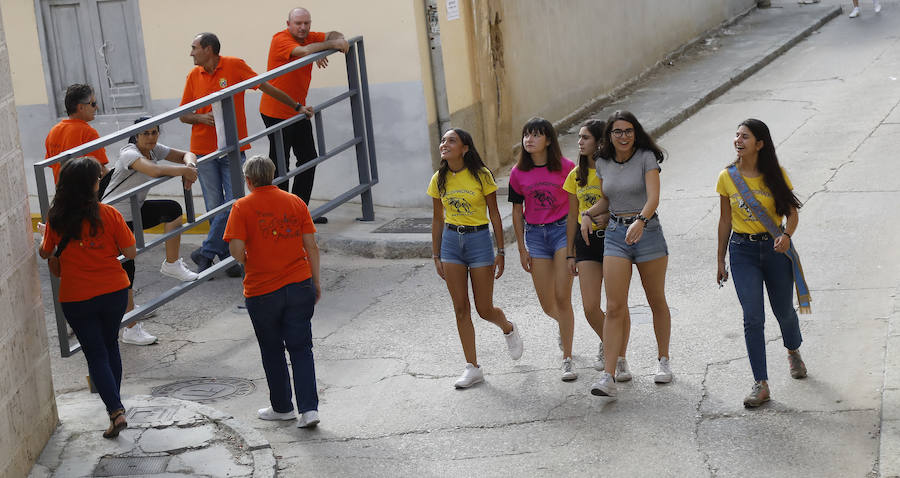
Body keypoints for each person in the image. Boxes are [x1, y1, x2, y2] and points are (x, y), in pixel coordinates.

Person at [180, 32, 311, 277]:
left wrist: (296, 106)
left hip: (231, 149)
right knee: (215, 208)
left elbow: (266, 86)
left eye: (194, 48)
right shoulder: (193, 75)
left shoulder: (234, 66)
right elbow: (183, 114)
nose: (191, 53)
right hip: (203, 152)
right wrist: (199, 117)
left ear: (208, 49)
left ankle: (205, 253)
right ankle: (227, 258)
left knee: (233, 205)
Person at [39, 157, 136, 438]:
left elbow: (46, 252)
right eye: (97, 178)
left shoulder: (56, 217)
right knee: (110, 347)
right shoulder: (109, 213)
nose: (99, 181)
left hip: (77, 296)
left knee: (95, 353)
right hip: (113, 290)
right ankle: (114, 409)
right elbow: (129, 252)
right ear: (90, 185)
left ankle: (116, 411)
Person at [223, 155, 322, 428]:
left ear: (248, 180)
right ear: (273, 174)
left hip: (262, 290)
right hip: (299, 283)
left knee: (272, 349)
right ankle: (309, 409)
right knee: (301, 348)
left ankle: (282, 407)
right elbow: (311, 246)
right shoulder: (295, 202)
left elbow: (235, 250)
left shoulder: (241, 207)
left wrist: (249, 258)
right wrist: (316, 281)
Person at [716, 118, 808, 408]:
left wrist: (786, 236)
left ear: (759, 143)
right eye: (737, 135)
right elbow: (725, 221)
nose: (738, 140)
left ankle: (793, 350)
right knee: (752, 316)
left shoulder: (775, 174)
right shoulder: (727, 177)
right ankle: (761, 383)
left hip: (774, 250)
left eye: (745, 136)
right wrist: (720, 259)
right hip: (742, 252)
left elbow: (792, 214)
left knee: (784, 312)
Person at [582, 110, 673, 400]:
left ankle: (663, 361)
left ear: (636, 133)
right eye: (617, 132)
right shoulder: (603, 162)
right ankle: (608, 376)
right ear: (609, 135)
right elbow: (609, 197)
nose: (623, 136)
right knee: (614, 305)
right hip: (616, 235)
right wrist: (588, 213)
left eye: (628, 131)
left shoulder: (646, 157)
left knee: (655, 298)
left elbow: (653, 196)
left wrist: (641, 221)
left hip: (647, 231)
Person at [428, 128, 522, 389]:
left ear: (465, 148)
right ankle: (473, 367)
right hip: (450, 244)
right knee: (461, 308)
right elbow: (437, 219)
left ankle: (507, 327)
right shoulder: (439, 178)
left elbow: (494, 214)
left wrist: (501, 251)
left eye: (451, 141)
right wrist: (435, 254)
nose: (444, 144)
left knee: (484, 308)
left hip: (479, 241)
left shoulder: (482, 175)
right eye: (443, 140)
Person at [104, 117, 201, 345]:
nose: (150, 137)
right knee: (126, 271)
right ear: (136, 136)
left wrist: (190, 167)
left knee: (173, 210)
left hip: (134, 211)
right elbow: (154, 171)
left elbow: (188, 154)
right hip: (114, 217)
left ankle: (172, 263)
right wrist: (183, 172)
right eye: (145, 133)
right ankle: (131, 328)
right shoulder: (130, 154)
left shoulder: (154, 149)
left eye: (154, 132)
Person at [260, 7, 349, 224]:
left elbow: (332, 35)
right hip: (276, 111)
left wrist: (335, 41)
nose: (303, 27)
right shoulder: (280, 39)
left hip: (298, 110)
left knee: (309, 158)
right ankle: (280, 215)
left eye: (306, 23)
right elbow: (303, 52)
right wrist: (325, 48)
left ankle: (297, 212)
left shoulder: (308, 37)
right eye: (298, 23)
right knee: (280, 166)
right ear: (288, 23)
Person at [509, 117, 578, 382]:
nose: (529, 139)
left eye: (536, 135)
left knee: (562, 297)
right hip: (535, 236)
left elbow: (576, 205)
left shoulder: (567, 168)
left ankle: (568, 358)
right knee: (547, 303)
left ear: (548, 140)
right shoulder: (518, 173)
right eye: (526, 135)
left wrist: (575, 243)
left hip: (562, 231)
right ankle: (564, 326)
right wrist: (521, 248)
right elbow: (517, 212)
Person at [563, 119, 633, 381]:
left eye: (585, 138)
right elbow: (572, 217)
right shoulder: (575, 176)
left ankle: (620, 358)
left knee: (617, 305)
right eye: (579, 138)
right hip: (587, 244)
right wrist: (570, 252)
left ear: (600, 142)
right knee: (591, 306)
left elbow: (627, 202)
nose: (579, 143)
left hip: (615, 240)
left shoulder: (613, 170)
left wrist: (609, 217)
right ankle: (609, 343)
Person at [45, 84, 110, 183]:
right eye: (93, 104)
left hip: (62, 194)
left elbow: (52, 164)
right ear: (81, 107)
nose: (96, 107)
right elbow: (101, 171)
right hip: (84, 195)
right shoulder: (88, 132)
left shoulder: (53, 131)